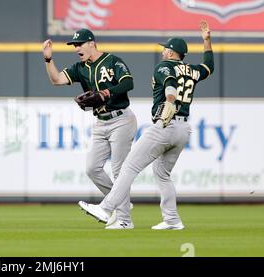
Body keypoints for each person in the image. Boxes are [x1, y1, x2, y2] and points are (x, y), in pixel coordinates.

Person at [79, 21, 214, 229]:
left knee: (128, 167)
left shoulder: (164, 66)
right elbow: (209, 67)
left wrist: (170, 100)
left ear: (171, 52)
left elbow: (170, 82)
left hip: (165, 125)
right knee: (162, 174)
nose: (163, 52)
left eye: (165, 49)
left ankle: (106, 209)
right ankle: (172, 220)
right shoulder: (192, 70)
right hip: (183, 129)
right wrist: (207, 42)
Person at [42, 28, 137, 221]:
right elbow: (56, 79)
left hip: (121, 119)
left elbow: (128, 83)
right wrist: (48, 60)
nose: (76, 48)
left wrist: (106, 93)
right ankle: (121, 201)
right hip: (100, 123)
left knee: (119, 171)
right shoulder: (80, 68)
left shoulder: (112, 61)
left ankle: (124, 220)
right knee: (92, 168)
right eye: (74, 45)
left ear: (91, 43)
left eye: (80, 44)